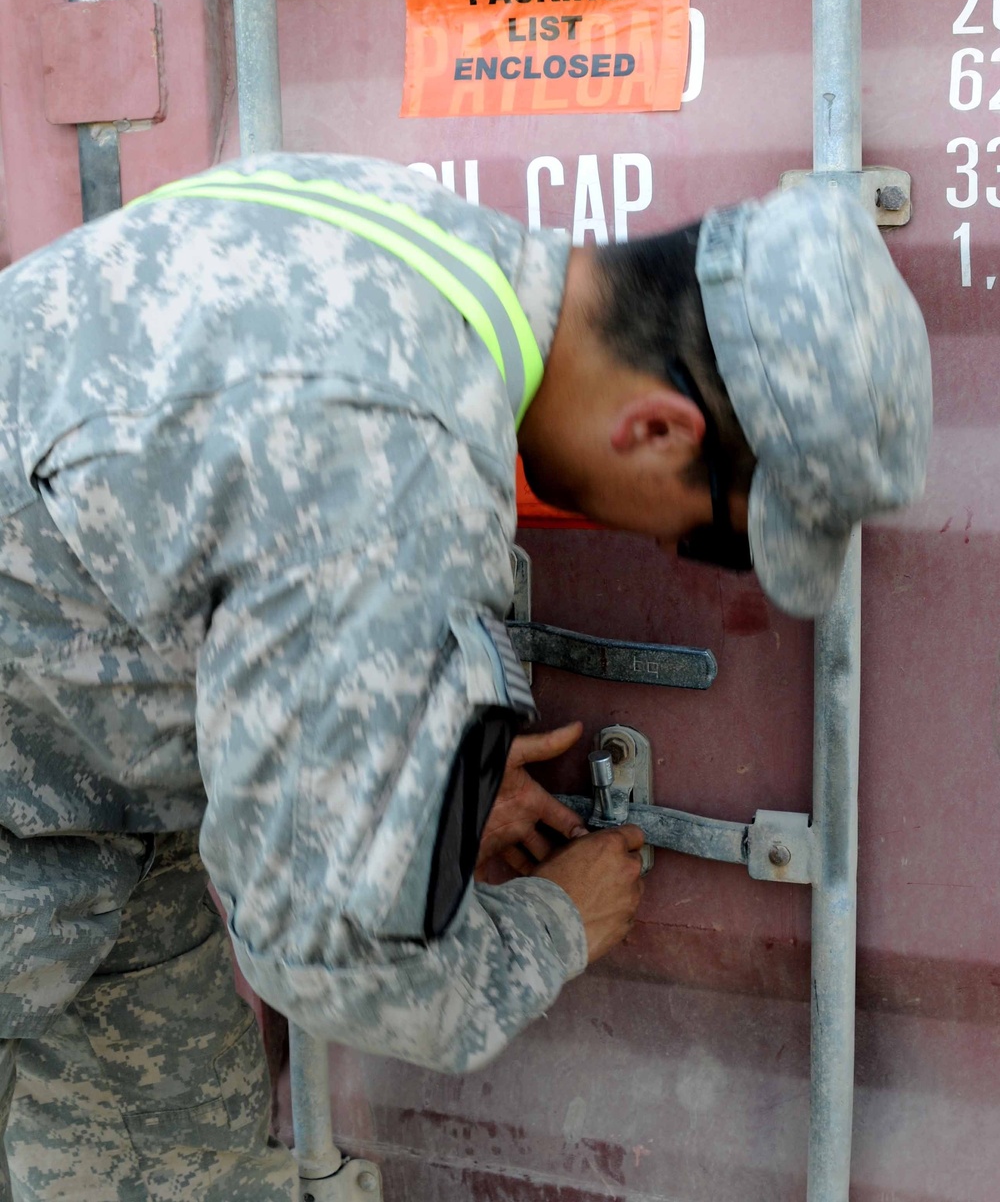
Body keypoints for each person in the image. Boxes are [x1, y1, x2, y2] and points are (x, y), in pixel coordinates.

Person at [0, 155, 931, 1200]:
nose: (674, 555)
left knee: (166, 1144)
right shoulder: (402, 474)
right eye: (716, 537)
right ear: (660, 429)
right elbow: (330, 958)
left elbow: (205, 556)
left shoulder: (394, 228)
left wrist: (421, 784)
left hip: (80, 772)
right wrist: (553, 925)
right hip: (33, 814)